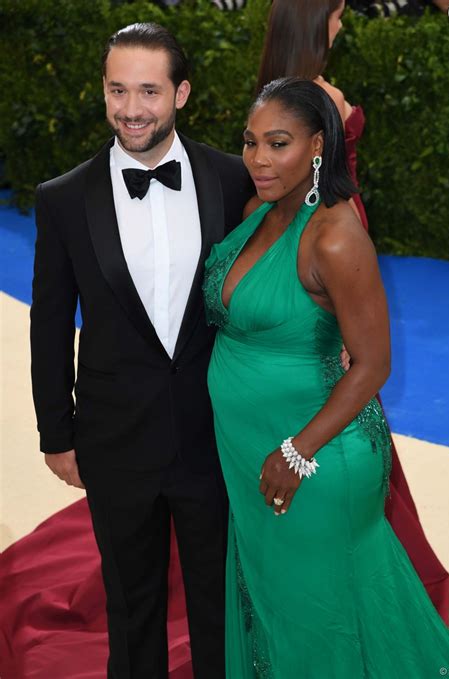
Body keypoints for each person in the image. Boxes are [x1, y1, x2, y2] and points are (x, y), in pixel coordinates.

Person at [203, 76, 449, 678]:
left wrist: (297, 452)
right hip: (252, 448)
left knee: (319, 613)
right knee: (277, 602)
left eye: (278, 143)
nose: (258, 160)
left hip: (314, 456)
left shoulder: (334, 236)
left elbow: (375, 363)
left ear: (319, 144)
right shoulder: (257, 211)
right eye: (250, 142)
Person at [30, 22, 253, 679]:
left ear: (181, 93)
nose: (132, 108)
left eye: (149, 91)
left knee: (219, 603)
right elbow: (48, 323)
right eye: (117, 90)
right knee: (132, 608)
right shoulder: (63, 198)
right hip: (114, 438)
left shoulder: (233, 180)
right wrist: (56, 430)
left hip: (214, 433)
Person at [255, 0, 449, 621]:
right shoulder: (316, 98)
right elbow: (334, 199)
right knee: (343, 393)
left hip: (298, 266)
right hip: (331, 266)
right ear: (317, 24)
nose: (342, 24)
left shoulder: (270, 93)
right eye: (337, 15)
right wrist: (346, 298)